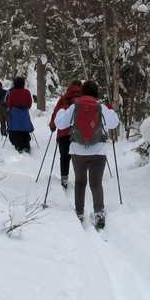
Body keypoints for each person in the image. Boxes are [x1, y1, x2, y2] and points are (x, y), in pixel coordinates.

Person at [53, 80, 119, 230]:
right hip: (98, 150)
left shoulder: (74, 106)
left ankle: (79, 212)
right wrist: (110, 109)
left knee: (80, 181)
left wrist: (63, 108)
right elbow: (113, 124)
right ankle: (99, 212)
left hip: (77, 150)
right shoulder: (100, 107)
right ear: (96, 93)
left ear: (82, 92)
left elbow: (60, 124)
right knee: (96, 183)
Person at [50, 79, 82, 189]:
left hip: (63, 133)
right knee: (79, 157)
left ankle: (64, 178)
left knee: (64, 157)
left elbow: (56, 112)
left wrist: (53, 125)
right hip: (79, 133)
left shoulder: (63, 98)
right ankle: (80, 178)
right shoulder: (83, 99)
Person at [5, 76, 34, 153]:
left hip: (15, 113)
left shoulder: (13, 92)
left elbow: (9, 104)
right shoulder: (27, 92)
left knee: (16, 128)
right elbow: (30, 103)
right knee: (25, 129)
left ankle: (18, 145)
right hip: (24, 113)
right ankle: (26, 145)